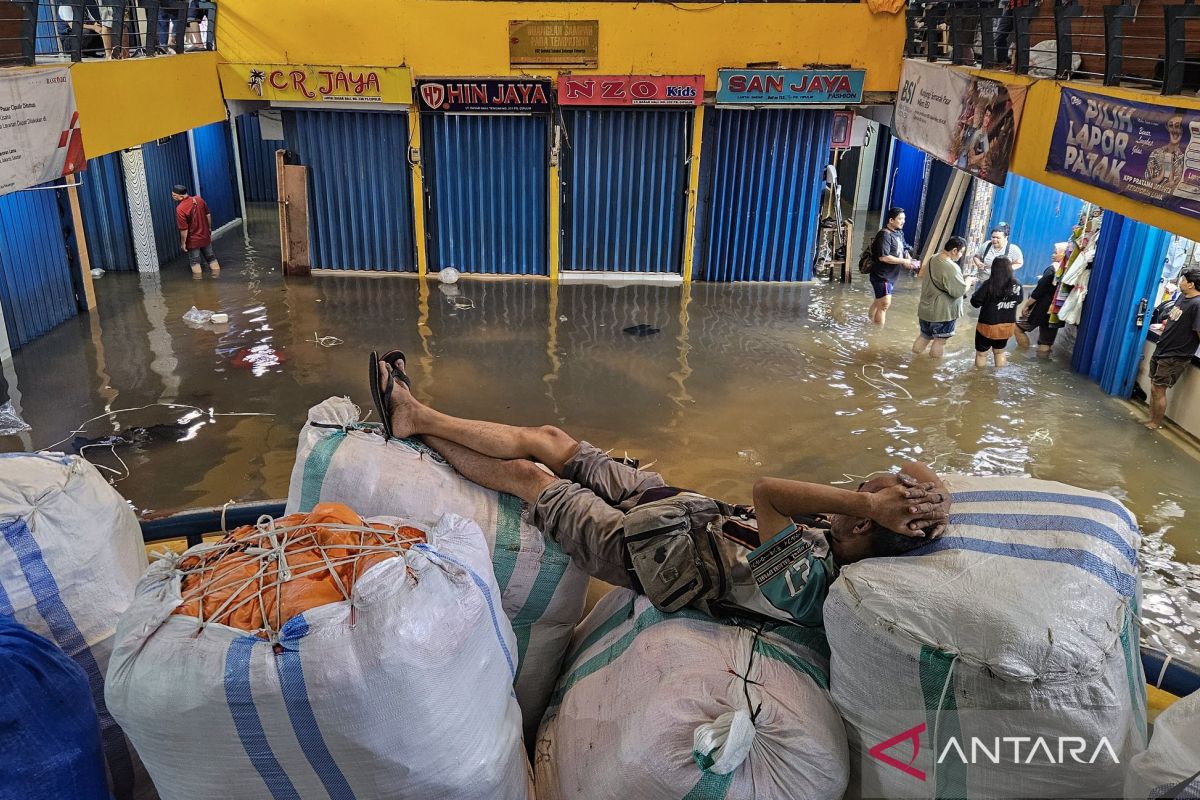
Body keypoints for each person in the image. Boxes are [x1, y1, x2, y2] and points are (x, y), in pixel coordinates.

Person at [370, 351, 951, 627]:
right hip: (678, 510)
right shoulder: (833, 532)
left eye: (860, 493)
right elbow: (912, 467)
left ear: (861, 522)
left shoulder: (807, 582)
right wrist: (933, 497)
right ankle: (422, 414)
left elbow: (768, 490)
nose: (854, 489)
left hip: (645, 551)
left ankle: (410, 419)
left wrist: (870, 500)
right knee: (551, 439)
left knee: (532, 480)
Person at [1145, 268, 1200, 430]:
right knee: (1154, 387)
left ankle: (1155, 423)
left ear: (1190, 284)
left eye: (1183, 280)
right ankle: (1151, 418)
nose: (1181, 282)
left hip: (1176, 354)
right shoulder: (1182, 298)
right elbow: (1174, 319)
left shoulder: (1197, 305)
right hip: (1162, 348)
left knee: (1159, 388)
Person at [913, 236, 973, 358]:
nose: (961, 255)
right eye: (961, 252)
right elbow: (959, 291)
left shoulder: (933, 258)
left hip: (926, 310)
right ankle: (933, 370)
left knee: (924, 336)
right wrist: (969, 281)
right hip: (942, 313)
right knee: (940, 342)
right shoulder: (951, 266)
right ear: (954, 251)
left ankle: (913, 360)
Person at [868, 207, 919, 327]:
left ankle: (869, 321)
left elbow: (904, 247)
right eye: (900, 219)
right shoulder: (884, 235)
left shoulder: (899, 232)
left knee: (879, 301)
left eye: (904, 219)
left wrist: (909, 259)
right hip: (882, 275)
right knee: (885, 304)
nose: (903, 221)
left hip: (891, 275)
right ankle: (877, 333)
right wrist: (903, 261)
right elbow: (883, 257)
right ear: (891, 220)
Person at [970, 255, 1023, 368]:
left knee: (981, 354)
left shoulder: (989, 284)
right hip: (1007, 326)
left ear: (994, 268)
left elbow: (975, 302)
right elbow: (1019, 300)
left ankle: (979, 379)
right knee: (999, 352)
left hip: (988, 326)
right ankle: (998, 376)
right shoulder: (1017, 284)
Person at [1014, 243, 1067, 354]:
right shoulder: (1066, 271)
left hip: (1041, 309)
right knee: (1046, 341)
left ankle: (1022, 354)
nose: (1052, 255)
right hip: (1055, 311)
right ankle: (1042, 363)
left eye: (1055, 252)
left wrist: (1026, 305)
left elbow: (1038, 292)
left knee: (1018, 328)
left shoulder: (1052, 270)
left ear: (1063, 254)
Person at [172, 184, 220, 276]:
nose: (172, 197)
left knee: (195, 262)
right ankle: (217, 278)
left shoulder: (180, 209)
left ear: (181, 196)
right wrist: (209, 228)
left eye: (174, 195)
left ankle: (199, 285)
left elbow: (184, 229)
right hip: (205, 236)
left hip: (193, 240)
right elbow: (208, 214)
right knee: (211, 258)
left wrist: (183, 243)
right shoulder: (199, 199)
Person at [1145, 114, 1186, 192]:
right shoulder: (1156, 153)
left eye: (1178, 126)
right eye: (1171, 125)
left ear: (1183, 129)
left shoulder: (1185, 159)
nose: (1174, 130)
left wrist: (1171, 182)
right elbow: (1146, 182)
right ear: (1167, 128)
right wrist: (1161, 176)